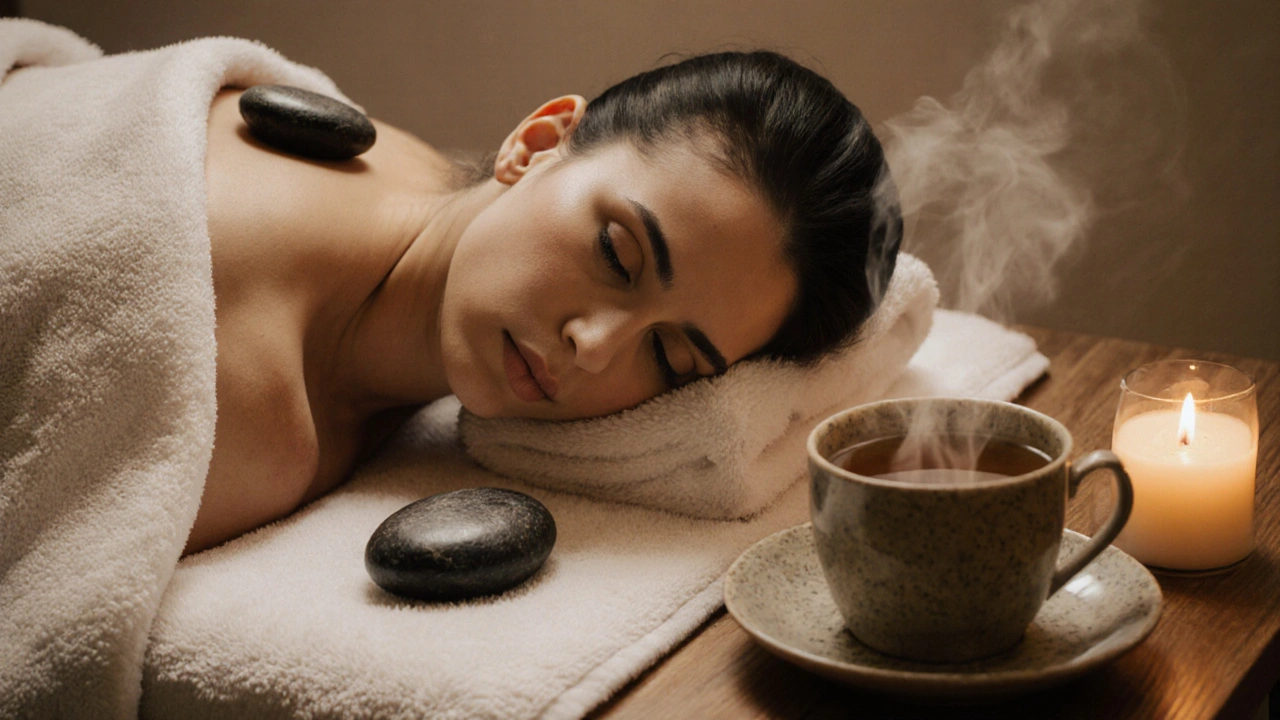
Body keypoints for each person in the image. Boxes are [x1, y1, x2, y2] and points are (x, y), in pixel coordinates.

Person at [189, 50, 902, 553]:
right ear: (537, 142)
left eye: (668, 355)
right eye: (617, 256)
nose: (595, 347)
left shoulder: (404, 164)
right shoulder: (244, 425)